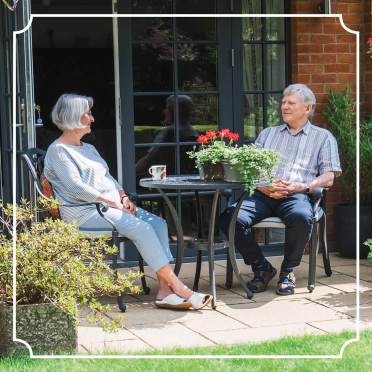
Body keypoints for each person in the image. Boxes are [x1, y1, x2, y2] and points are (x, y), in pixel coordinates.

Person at [44, 93, 212, 310]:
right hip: (84, 211)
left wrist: (123, 197)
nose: (93, 118)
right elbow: (75, 187)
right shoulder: (58, 151)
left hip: (109, 207)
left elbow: (109, 179)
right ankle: (180, 288)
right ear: (75, 117)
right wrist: (111, 202)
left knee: (158, 223)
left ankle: (163, 291)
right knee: (142, 229)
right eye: (88, 113)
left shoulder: (88, 148)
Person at [220, 84, 342, 296]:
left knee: (301, 217)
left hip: (297, 194)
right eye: (283, 102)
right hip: (263, 193)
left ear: (307, 108)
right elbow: (250, 168)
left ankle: (288, 271)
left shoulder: (323, 137)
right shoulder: (268, 134)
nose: (284, 107)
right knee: (230, 218)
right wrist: (263, 185)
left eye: (290, 103)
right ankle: (262, 268)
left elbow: (330, 176)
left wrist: (303, 186)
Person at [135, 95, 198, 175]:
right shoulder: (192, 131)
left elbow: (149, 159)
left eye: (167, 108)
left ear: (174, 111)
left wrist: (131, 172)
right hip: (186, 177)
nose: (164, 111)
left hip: (166, 178)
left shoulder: (170, 132)